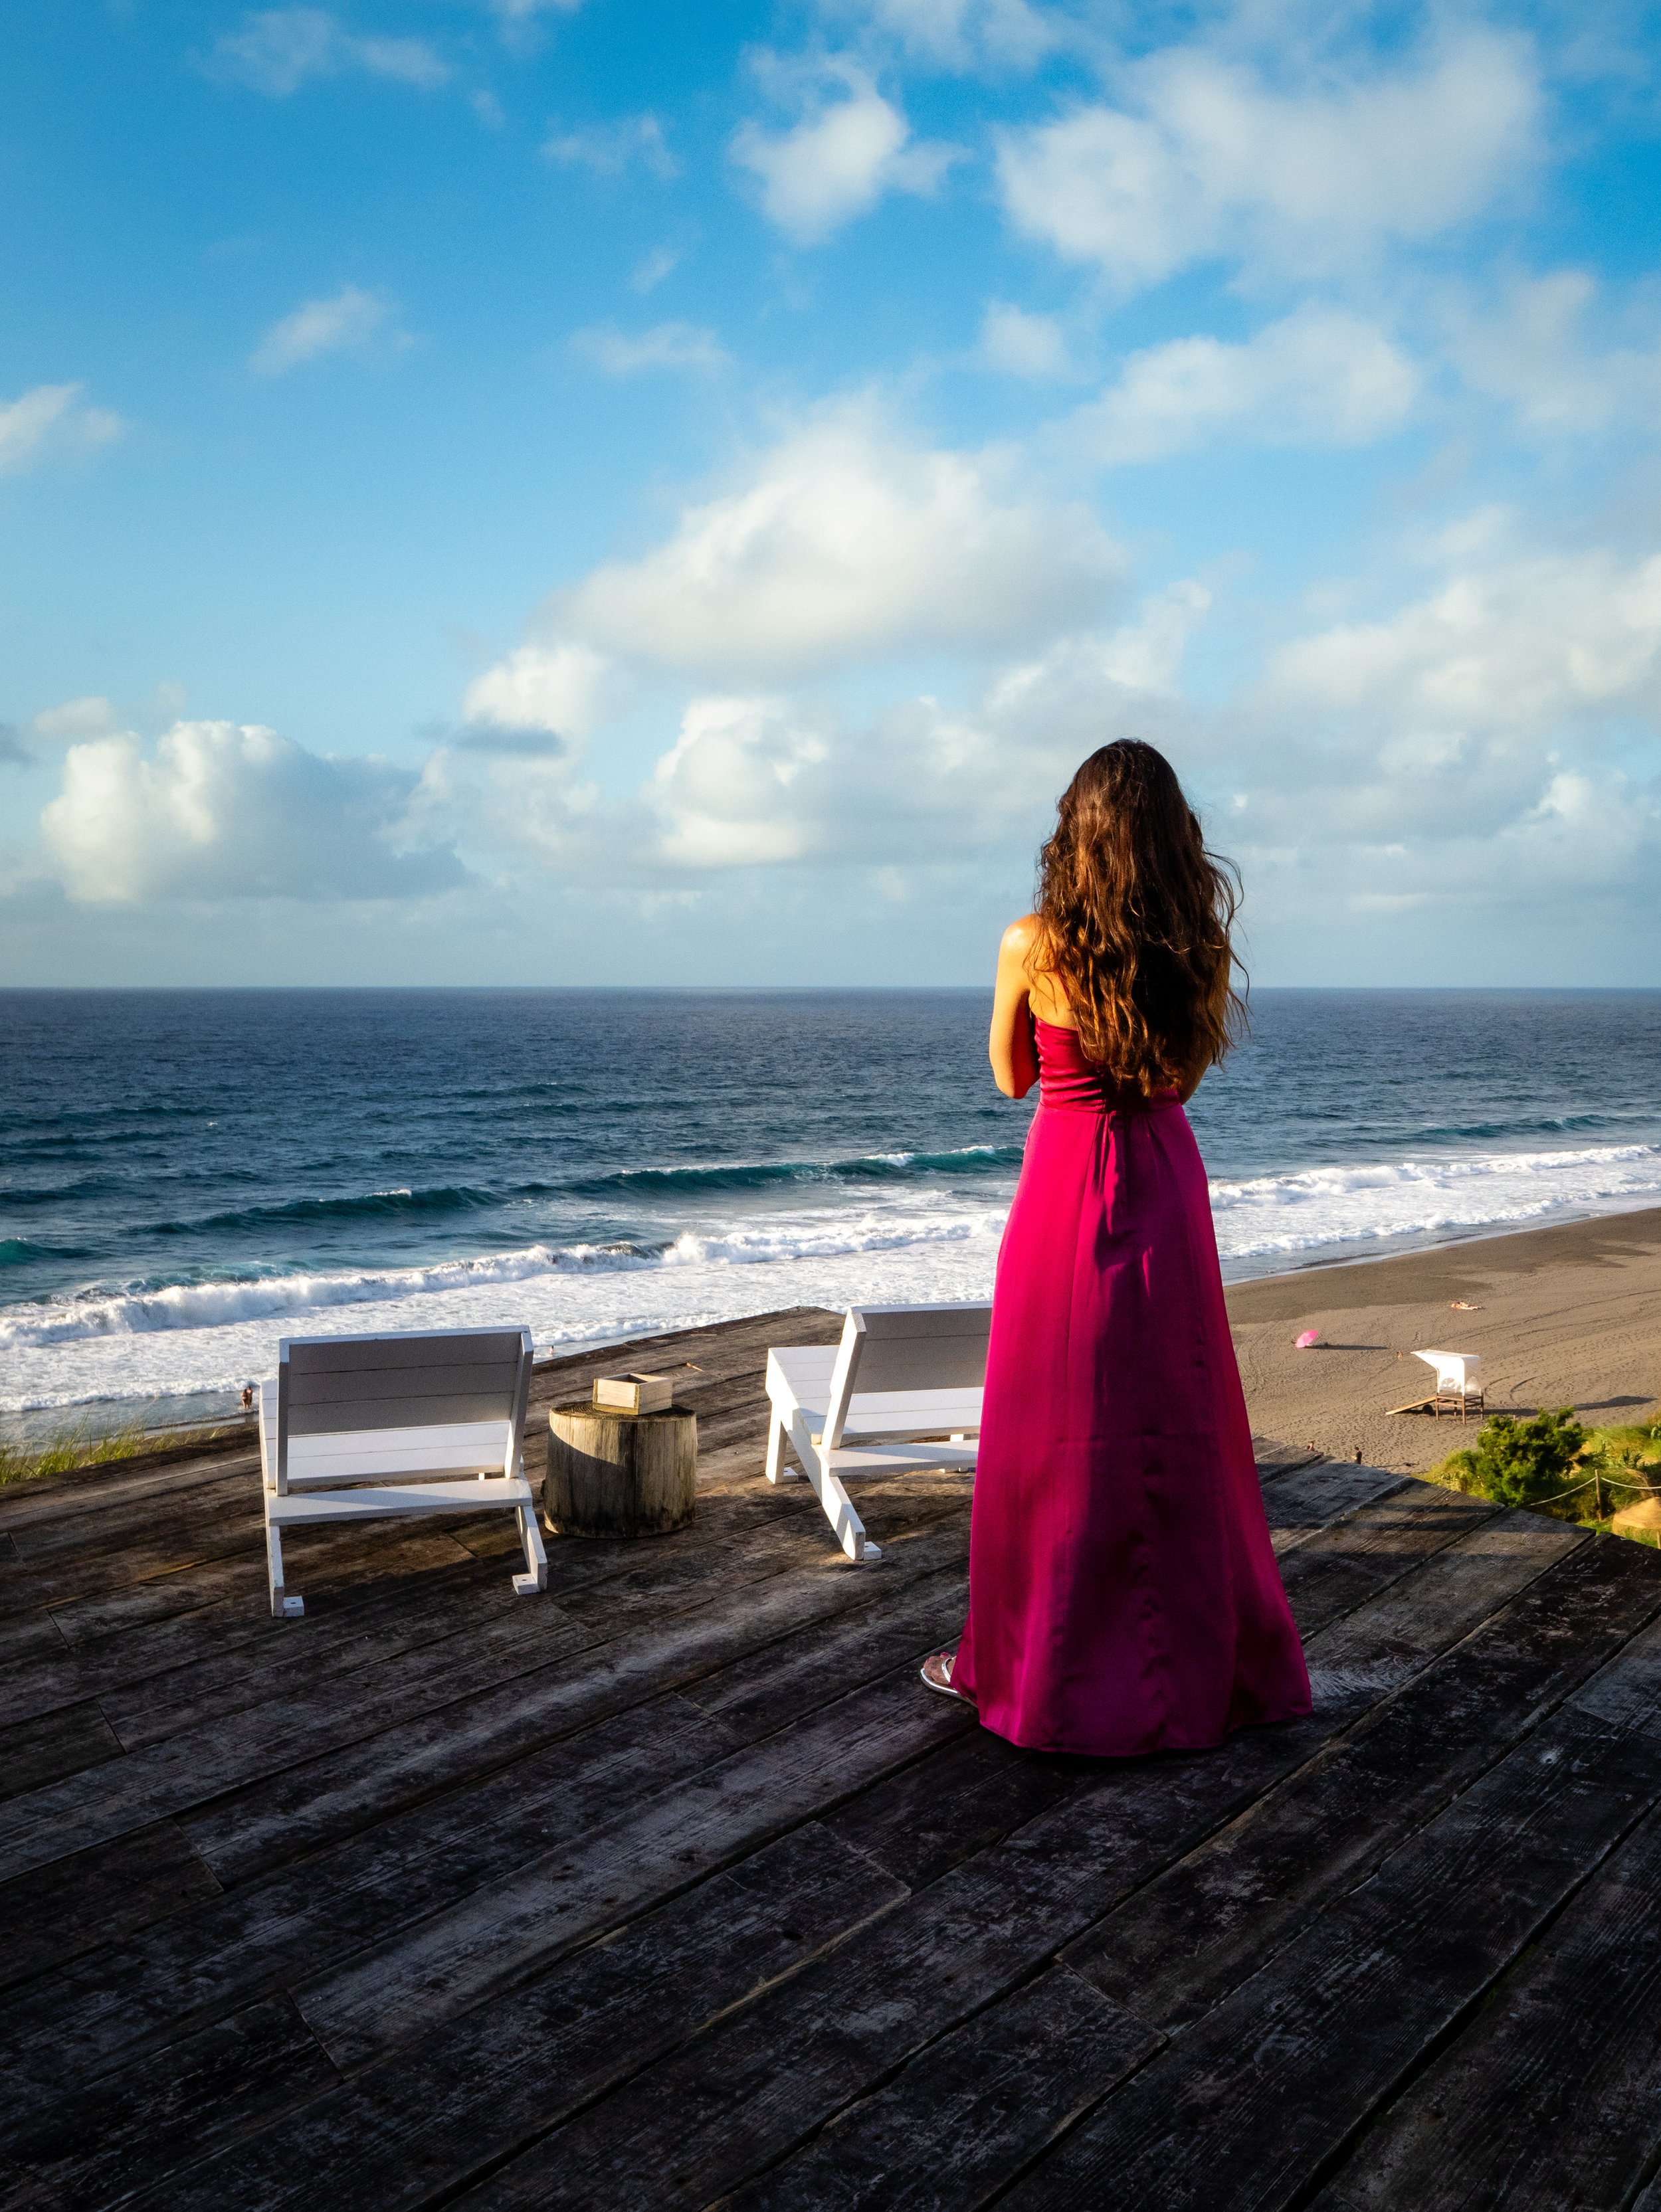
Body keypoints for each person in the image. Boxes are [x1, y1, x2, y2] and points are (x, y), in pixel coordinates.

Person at [922, 741, 1310, 1755]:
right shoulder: (1197, 948)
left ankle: (1021, 1664)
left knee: (1047, 1428)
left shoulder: (1029, 943)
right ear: (1175, 841)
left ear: (1075, 833)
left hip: (1064, 1187)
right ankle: (1197, 1670)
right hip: (1166, 1180)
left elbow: (1012, 1079)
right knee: (1178, 1426)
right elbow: (1179, 1079)